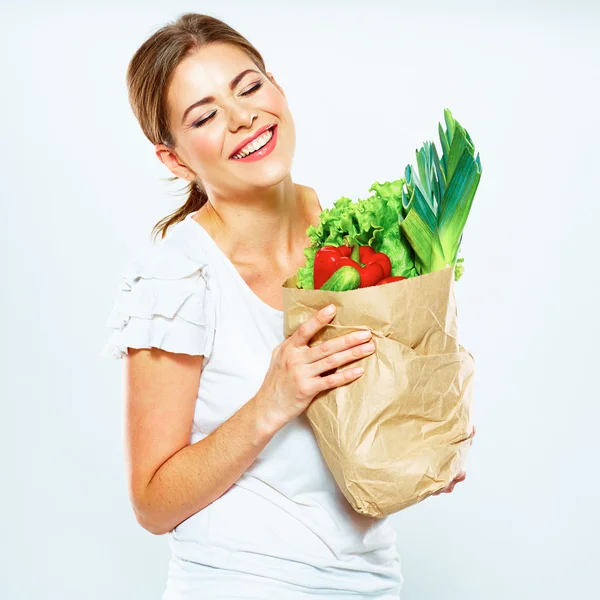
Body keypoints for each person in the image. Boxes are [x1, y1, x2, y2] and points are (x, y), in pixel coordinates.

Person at [101, 13, 470, 599]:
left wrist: (417, 441)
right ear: (174, 160)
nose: (243, 116)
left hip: (370, 582)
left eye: (249, 87)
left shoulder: (352, 240)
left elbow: (350, 446)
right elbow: (152, 502)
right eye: (204, 115)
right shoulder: (177, 274)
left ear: (278, 88)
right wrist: (271, 402)